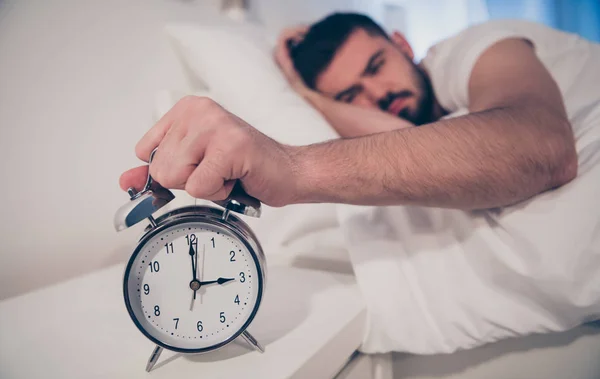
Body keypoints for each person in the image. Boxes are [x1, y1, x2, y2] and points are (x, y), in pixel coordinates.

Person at [121, 13, 600, 212]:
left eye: (377, 65)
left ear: (402, 44)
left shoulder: (476, 47)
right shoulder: (425, 119)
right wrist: (302, 94)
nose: (377, 93)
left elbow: (541, 147)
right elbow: (398, 137)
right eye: (352, 95)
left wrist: (293, 166)